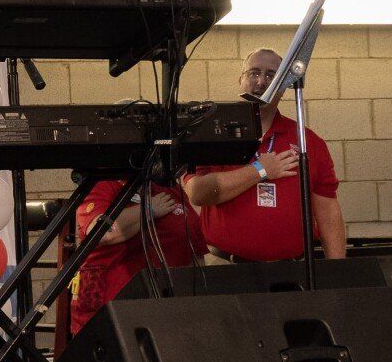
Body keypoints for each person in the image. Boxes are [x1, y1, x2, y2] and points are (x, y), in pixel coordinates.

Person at [181, 47, 347, 263]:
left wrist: (337, 271)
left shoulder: (308, 142)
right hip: (225, 267)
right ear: (240, 80)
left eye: (271, 75)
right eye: (254, 73)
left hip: (290, 271)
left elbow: (328, 213)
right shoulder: (210, 133)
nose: (261, 82)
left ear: (284, 85)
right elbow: (198, 193)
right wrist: (260, 170)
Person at [69, 177, 204, 334]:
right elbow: (102, 233)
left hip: (169, 308)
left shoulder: (167, 186)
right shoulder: (101, 184)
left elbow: (196, 251)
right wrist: (148, 209)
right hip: (112, 312)